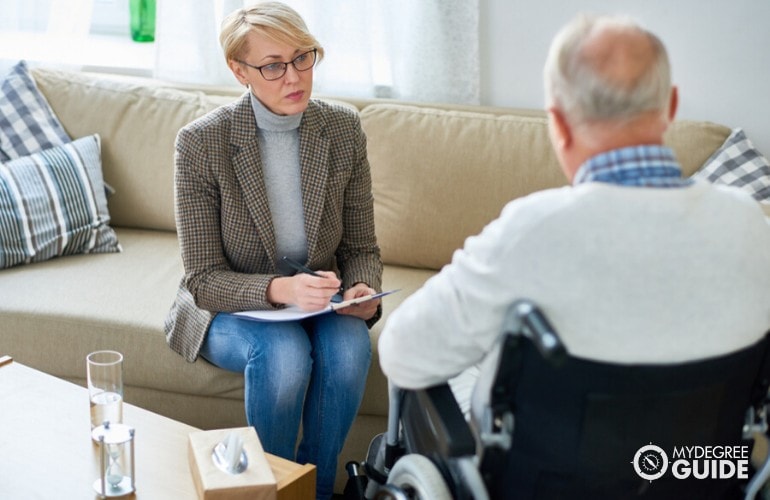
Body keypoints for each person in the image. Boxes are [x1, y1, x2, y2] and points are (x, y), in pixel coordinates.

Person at [379, 15, 770, 396]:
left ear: (560, 125)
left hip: (551, 461)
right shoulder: (748, 222)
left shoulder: (531, 229)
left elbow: (402, 354)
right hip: (702, 461)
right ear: (671, 106)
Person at [163, 3, 383, 498]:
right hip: (229, 307)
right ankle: (273, 490)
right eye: (273, 65)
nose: (294, 77)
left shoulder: (342, 129)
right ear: (239, 70)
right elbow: (203, 279)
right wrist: (281, 290)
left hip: (318, 299)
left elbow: (361, 245)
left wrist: (363, 290)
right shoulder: (202, 143)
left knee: (349, 349)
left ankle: (318, 487)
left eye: (303, 57)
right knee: (284, 356)